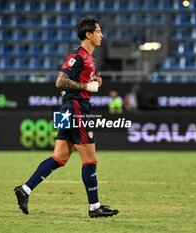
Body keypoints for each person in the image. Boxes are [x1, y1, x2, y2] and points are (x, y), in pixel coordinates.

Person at [14, 16, 119, 218]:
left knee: (59, 157)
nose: (101, 35)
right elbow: (60, 81)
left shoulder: (91, 59)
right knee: (90, 159)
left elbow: (85, 81)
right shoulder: (78, 56)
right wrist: (85, 86)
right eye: (98, 31)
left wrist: (94, 81)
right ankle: (94, 207)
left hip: (70, 109)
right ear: (88, 34)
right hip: (75, 108)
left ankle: (24, 190)